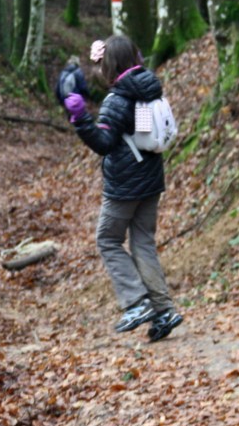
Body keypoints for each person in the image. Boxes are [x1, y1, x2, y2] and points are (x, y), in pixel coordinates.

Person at [62, 35, 183, 341]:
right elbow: (142, 133)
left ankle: (136, 301)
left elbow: (104, 143)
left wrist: (81, 120)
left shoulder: (117, 100)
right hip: (151, 180)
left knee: (107, 240)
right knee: (142, 242)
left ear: (110, 65)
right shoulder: (147, 91)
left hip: (125, 186)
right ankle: (164, 309)